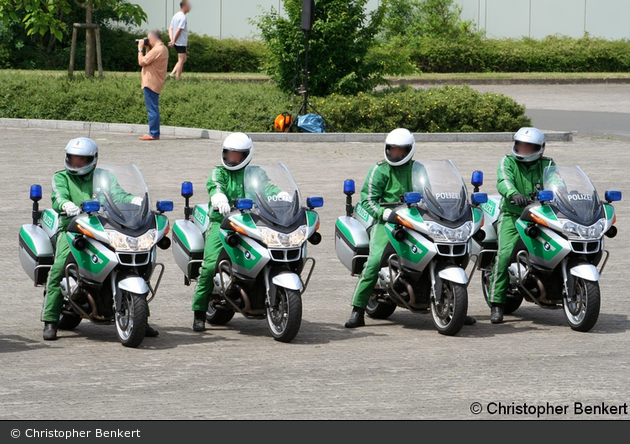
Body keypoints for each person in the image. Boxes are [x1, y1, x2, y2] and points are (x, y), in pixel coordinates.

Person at [343, 128, 478, 328]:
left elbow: (429, 193)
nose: (395, 154)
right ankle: (358, 309)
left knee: (449, 250)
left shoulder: (418, 169)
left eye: (400, 150)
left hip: (414, 219)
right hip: (387, 222)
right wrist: (384, 213)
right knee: (372, 263)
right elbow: (368, 201)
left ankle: (455, 305)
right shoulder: (379, 170)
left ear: (409, 150)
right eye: (392, 149)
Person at [41, 137, 159, 340]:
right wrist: (66, 205)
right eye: (73, 158)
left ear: (93, 160)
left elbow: (118, 195)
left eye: (81, 160)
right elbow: (58, 197)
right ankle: (50, 320)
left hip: (103, 226)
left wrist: (136, 200)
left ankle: (140, 317)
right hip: (72, 229)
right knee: (59, 268)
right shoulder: (61, 177)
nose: (76, 164)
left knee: (136, 265)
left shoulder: (104, 176)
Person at [488, 127, 556, 324]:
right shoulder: (507, 161)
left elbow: (556, 182)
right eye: (520, 145)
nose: (523, 149)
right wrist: (513, 194)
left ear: (539, 149)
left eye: (528, 146)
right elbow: (504, 181)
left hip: (542, 215)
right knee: (503, 255)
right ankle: (497, 303)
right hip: (512, 215)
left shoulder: (548, 163)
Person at [191, 132, 255, 332]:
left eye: (236, 155)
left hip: (250, 223)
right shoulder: (218, 172)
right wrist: (219, 199)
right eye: (228, 154)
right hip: (222, 223)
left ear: (246, 155)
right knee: (210, 266)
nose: (231, 158)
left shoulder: (255, 173)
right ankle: (199, 312)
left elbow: (267, 188)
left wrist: (281, 195)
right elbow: (215, 187)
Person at [138, 30, 169, 141]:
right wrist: (147, 49)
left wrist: (140, 48)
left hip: (151, 82)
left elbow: (142, 62)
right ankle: (154, 132)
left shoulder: (157, 50)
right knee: (153, 108)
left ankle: (154, 134)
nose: (148, 40)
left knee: (152, 109)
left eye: (148, 38)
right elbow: (150, 60)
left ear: (153, 38)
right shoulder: (163, 48)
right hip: (156, 82)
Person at [168, 0, 191, 80]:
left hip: (177, 41)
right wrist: (174, 40)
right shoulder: (183, 17)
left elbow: (171, 28)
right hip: (180, 42)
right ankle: (178, 78)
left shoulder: (175, 15)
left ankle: (172, 74)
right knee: (181, 60)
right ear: (184, 6)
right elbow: (179, 30)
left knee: (184, 59)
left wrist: (171, 39)